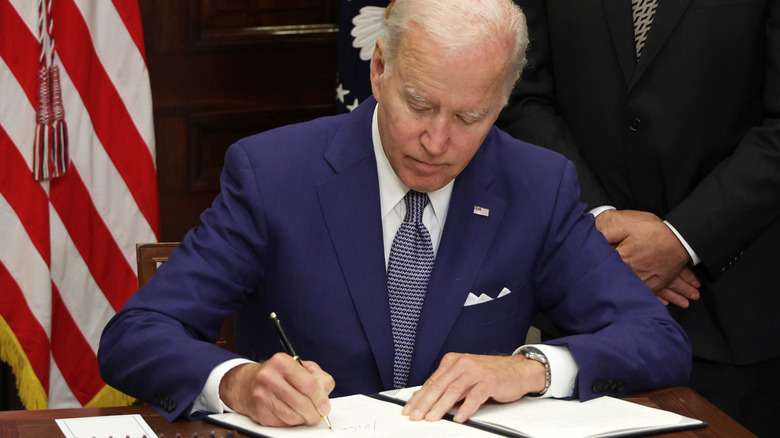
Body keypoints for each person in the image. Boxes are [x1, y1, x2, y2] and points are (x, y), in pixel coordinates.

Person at [98, 0, 691, 428]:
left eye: (468, 118)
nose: (437, 142)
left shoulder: (536, 185)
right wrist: (238, 382)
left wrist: (532, 368)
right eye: (420, 104)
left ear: (503, 102)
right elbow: (135, 336)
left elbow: (657, 341)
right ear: (379, 68)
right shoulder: (272, 173)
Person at [496, 1, 780, 435]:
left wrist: (682, 238)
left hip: (732, 314)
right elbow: (517, 89)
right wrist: (599, 223)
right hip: (582, 313)